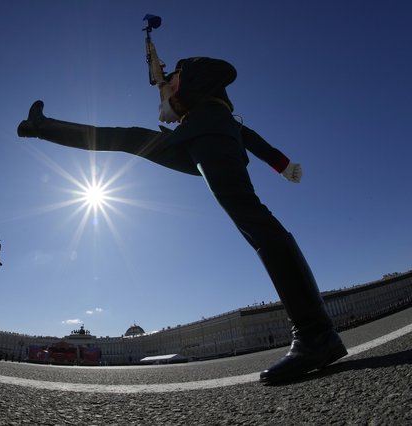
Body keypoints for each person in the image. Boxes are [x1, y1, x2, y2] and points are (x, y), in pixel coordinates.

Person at [17, 56, 347, 384]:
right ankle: (41, 127)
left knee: (254, 220)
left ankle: (315, 334)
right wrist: (281, 164)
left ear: (189, 78)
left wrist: (282, 164)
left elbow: (244, 126)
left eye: (174, 79)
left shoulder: (209, 97)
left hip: (210, 139)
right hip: (192, 140)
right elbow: (243, 133)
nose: (169, 85)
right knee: (127, 137)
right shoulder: (195, 111)